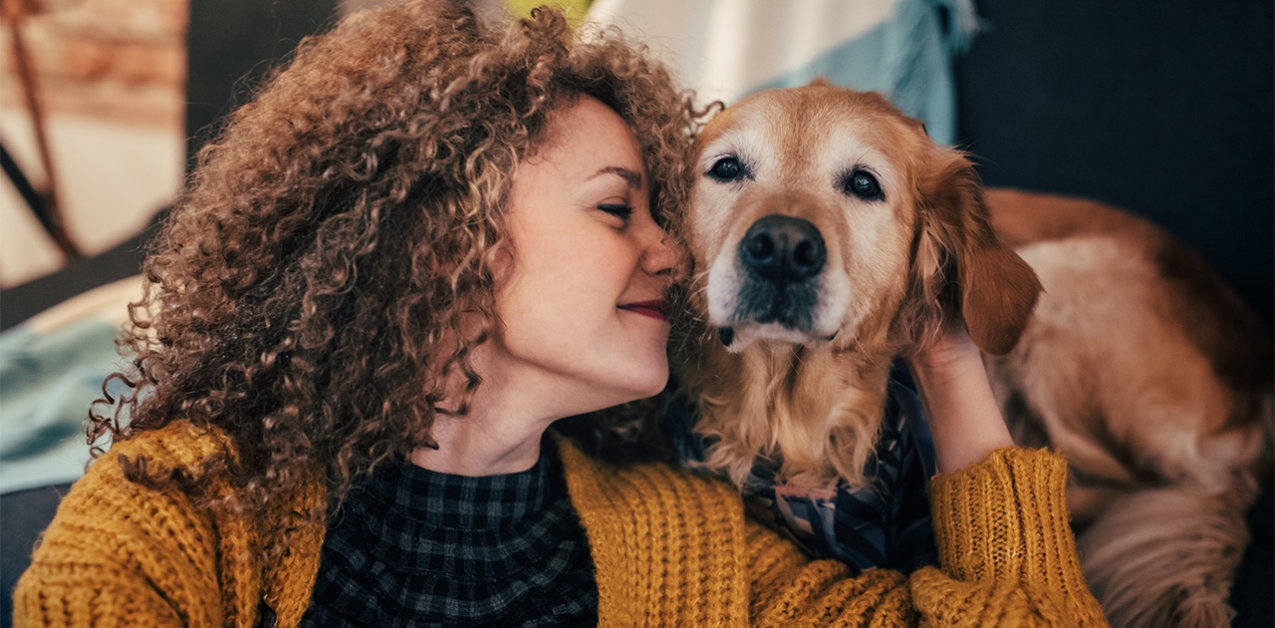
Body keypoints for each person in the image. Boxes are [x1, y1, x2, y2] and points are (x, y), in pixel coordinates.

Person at [13, 2, 1109, 627]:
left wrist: (947, 342)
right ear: (445, 241)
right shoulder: (187, 507)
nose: (679, 250)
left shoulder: (695, 551)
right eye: (620, 208)